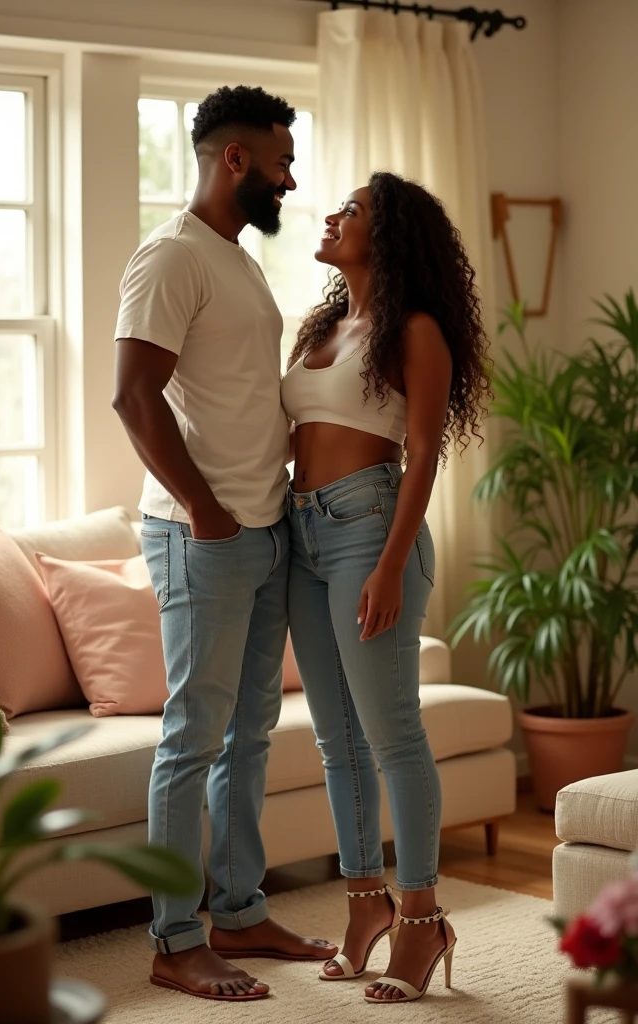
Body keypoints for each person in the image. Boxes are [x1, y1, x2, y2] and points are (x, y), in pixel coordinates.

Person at [112, 85, 336, 1003]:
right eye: (281, 162)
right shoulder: (170, 256)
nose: (291, 178)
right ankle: (175, 940)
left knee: (250, 734)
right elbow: (134, 396)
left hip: (265, 525)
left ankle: (241, 909)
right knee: (192, 741)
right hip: (202, 535)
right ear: (234, 159)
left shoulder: (234, 259)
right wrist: (204, 509)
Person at [281, 171, 491, 1004]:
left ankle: (421, 918)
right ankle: (364, 904)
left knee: (393, 734)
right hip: (301, 535)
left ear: (390, 234)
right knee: (337, 741)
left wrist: (391, 565)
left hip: (371, 529)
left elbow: (427, 453)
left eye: (353, 210)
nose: (333, 217)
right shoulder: (324, 326)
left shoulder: (416, 331)